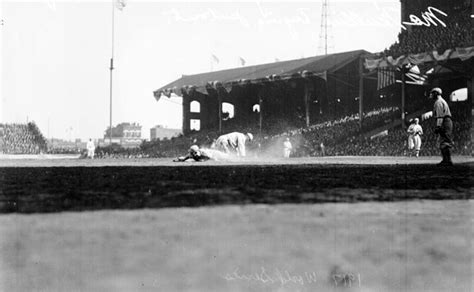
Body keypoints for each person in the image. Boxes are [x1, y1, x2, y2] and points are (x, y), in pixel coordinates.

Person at [429, 87, 453, 166]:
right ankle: (447, 160)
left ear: (436, 93)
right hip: (446, 121)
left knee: (445, 142)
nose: (431, 95)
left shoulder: (438, 102)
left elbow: (440, 116)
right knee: (445, 141)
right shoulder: (441, 101)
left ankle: (447, 161)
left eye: (432, 93)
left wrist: (438, 126)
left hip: (444, 122)